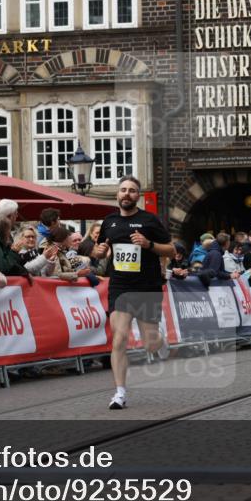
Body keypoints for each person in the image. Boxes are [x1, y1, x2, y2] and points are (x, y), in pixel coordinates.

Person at [91, 175, 174, 410]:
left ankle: (159, 342)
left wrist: (148, 244)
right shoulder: (109, 221)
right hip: (120, 286)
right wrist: (99, 251)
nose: (127, 194)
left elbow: (171, 249)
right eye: (123, 190)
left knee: (150, 344)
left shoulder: (149, 220)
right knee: (119, 338)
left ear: (138, 195)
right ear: (118, 194)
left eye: (132, 190)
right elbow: (99, 253)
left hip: (147, 286)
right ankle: (120, 392)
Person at [0, 215, 33, 280]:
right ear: (4, 230)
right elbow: (2, 267)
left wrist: (24, 271)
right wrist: (13, 252)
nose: (9, 233)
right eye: (9, 229)